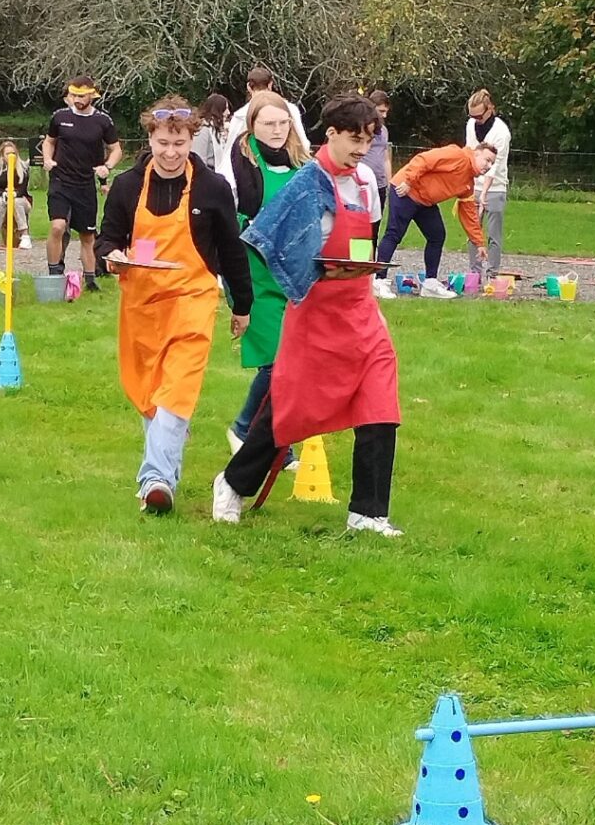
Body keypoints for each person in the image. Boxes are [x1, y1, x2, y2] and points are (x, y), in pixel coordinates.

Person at [212, 93, 404, 537]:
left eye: (368, 140)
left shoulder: (365, 184)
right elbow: (261, 239)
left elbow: (366, 245)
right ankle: (232, 483)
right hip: (314, 316)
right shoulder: (306, 183)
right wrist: (305, 272)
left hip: (361, 314)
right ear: (330, 134)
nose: (361, 149)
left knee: (380, 405)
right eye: (354, 139)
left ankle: (368, 514)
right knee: (288, 413)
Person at [97, 96, 253, 515]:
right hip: (142, 305)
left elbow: (231, 250)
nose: (170, 152)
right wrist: (112, 256)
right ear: (150, 138)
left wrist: (243, 304)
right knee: (148, 392)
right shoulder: (129, 186)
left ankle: (156, 481)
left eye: (179, 143)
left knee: (178, 387)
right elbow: (107, 238)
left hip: (193, 299)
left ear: (191, 140)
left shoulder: (213, 188)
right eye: (163, 143)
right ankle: (166, 455)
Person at [219, 90, 310, 467]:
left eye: (282, 122)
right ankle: (244, 429)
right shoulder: (237, 166)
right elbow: (227, 221)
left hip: (291, 274)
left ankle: (276, 444)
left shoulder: (301, 163)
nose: (276, 130)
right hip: (253, 273)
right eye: (268, 123)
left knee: (293, 365)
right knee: (276, 363)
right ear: (252, 126)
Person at [373, 142, 495, 300]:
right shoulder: (457, 156)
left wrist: (479, 242)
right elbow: (423, 160)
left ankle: (430, 283)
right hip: (405, 190)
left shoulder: (468, 184)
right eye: (487, 160)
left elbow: (469, 213)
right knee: (394, 234)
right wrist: (409, 181)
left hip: (425, 201)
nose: (489, 166)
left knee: (437, 235)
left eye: (492, 163)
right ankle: (379, 280)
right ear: (476, 153)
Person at [42, 76, 122, 291]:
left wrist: (107, 167)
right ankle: (54, 274)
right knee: (58, 226)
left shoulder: (103, 121)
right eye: (74, 95)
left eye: (82, 96)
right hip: (60, 180)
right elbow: (49, 142)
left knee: (87, 235)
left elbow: (116, 149)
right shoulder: (60, 117)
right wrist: (48, 159)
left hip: (85, 184)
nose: (77, 99)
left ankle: (90, 279)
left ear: (92, 96)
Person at [220, 67, 311, 168]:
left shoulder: (240, 116)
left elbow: (229, 153)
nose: (277, 130)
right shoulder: (290, 109)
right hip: (290, 166)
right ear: (270, 84)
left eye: (283, 123)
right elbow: (303, 143)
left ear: (249, 87)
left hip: (252, 166)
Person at [465, 89, 511, 279]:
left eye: (479, 116)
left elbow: (494, 166)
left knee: (493, 235)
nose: (475, 119)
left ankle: (492, 275)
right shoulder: (470, 125)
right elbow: (470, 152)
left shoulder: (501, 132)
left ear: (490, 109)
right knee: (473, 232)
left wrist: (484, 193)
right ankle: (474, 274)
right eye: (472, 115)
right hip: (474, 185)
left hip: (495, 188)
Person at [359, 90, 392, 248]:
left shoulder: (384, 131)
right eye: (381, 111)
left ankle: (370, 264)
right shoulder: (363, 130)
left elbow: (385, 157)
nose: (384, 116)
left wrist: (389, 182)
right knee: (361, 226)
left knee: (375, 226)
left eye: (386, 112)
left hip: (380, 184)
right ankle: (359, 262)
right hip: (363, 184)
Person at [0, 141, 33, 249]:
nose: (10, 156)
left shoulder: (23, 168)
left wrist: (15, 193)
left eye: (13, 153)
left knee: (16, 202)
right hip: (4, 198)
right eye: (7, 154)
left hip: (22, 199)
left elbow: (23, 189)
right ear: (2, 155)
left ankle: (25, 236)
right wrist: (5, 193)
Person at [190, 93, 230, 169]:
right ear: (217, 110)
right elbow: (199, 158)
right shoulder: (203, 129)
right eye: (225, 109)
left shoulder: (216, 130)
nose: (228, 112)